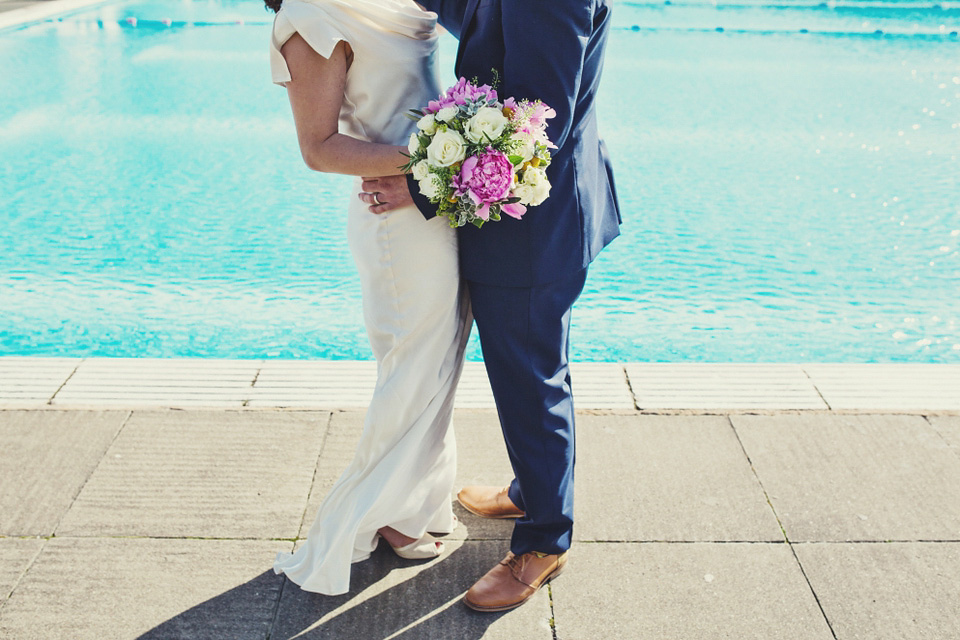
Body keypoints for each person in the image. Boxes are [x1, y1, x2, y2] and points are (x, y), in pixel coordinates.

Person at [361, 0, 621, 612]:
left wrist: (421, 181)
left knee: (531, 377)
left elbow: (539, 126)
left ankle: (545, 541)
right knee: (522, 367)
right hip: (526, 218)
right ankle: (533, 489)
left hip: (537, 223)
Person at [265, 0, 471, 596]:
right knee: (413, 362)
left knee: (439, 362)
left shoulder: (391, 2)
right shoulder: (311, 18)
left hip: (436, 203)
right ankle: (374, 515)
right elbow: (320, 146)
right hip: (399, 220)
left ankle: (413, 504)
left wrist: (446, 174)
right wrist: (439, 163)